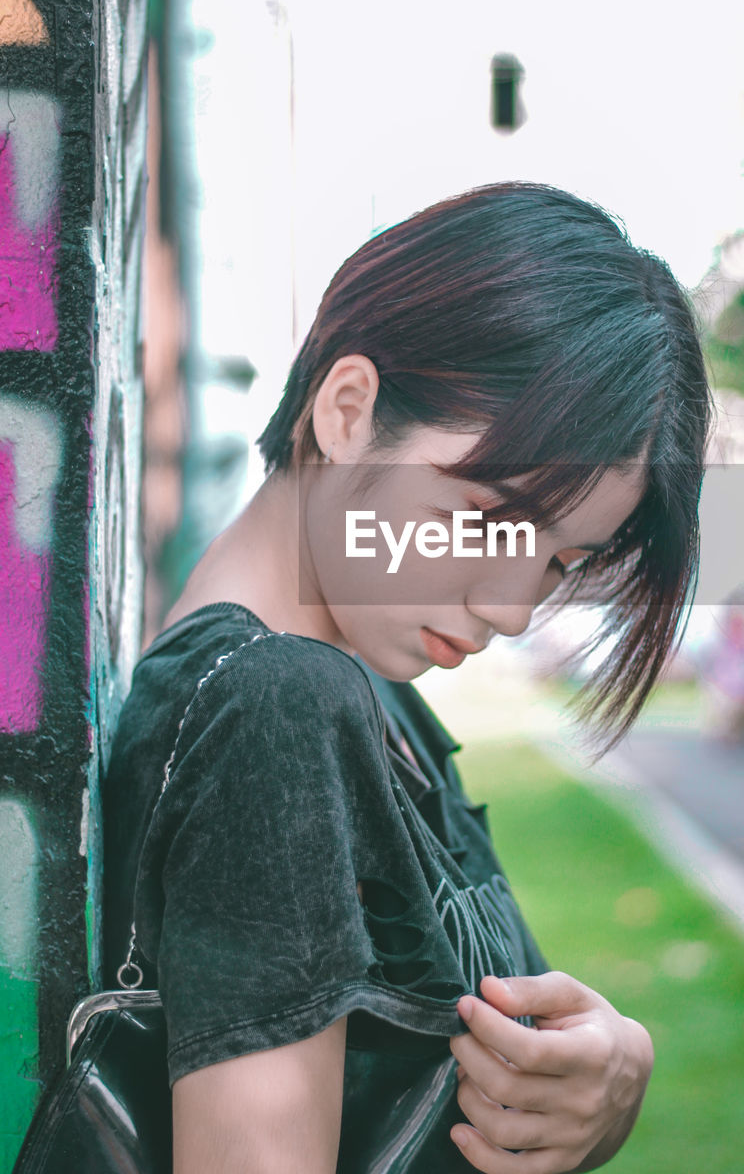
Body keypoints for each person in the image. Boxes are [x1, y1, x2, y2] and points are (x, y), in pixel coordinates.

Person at [103, 181, 711, 1173]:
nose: (513, 607)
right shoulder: (276, 708)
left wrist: (615, 1069)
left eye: (558, 560)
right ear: (347, 411)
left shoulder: (375, 700)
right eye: (488, 515)